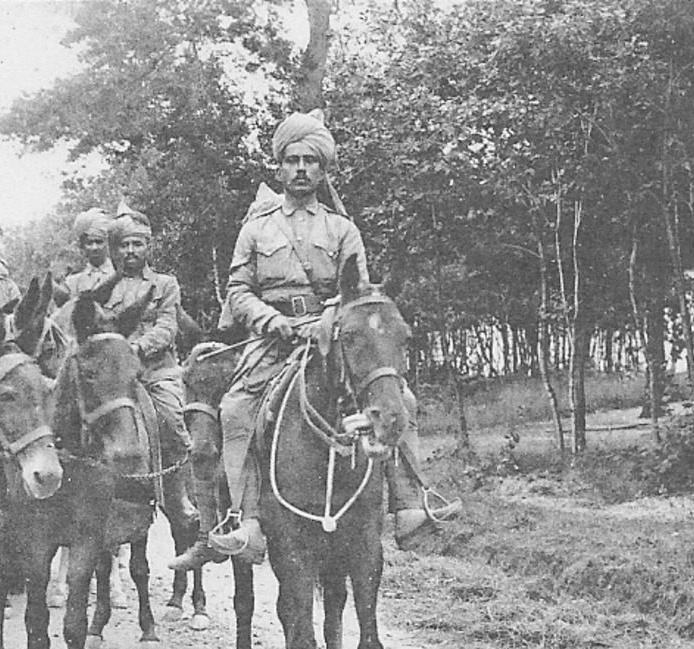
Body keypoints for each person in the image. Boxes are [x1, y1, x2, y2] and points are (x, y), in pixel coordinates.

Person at [169, 110, 460, 572]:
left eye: (310, 161)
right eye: (292, 160)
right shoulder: (257, 229)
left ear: (323, 171)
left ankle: (409, 502)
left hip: (332, 337)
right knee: (235, 410)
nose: (301, 169)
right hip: (271, 342)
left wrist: (326, 321)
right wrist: (270, 321)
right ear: (279, 168)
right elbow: (238, 291)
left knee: (399, 397)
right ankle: (244, 521)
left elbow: (358, 294)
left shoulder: (342, 230)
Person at [98, 204, 199, 535]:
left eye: (137, 244)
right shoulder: (105, 288)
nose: (130, 251)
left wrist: (136, 348)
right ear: (115, 249)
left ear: (148, 247)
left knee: (172, 419)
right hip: (115, 378)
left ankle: (180, 494)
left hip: (156, 372)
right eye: (124, 244)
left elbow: (168, 327)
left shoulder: (165, 284)